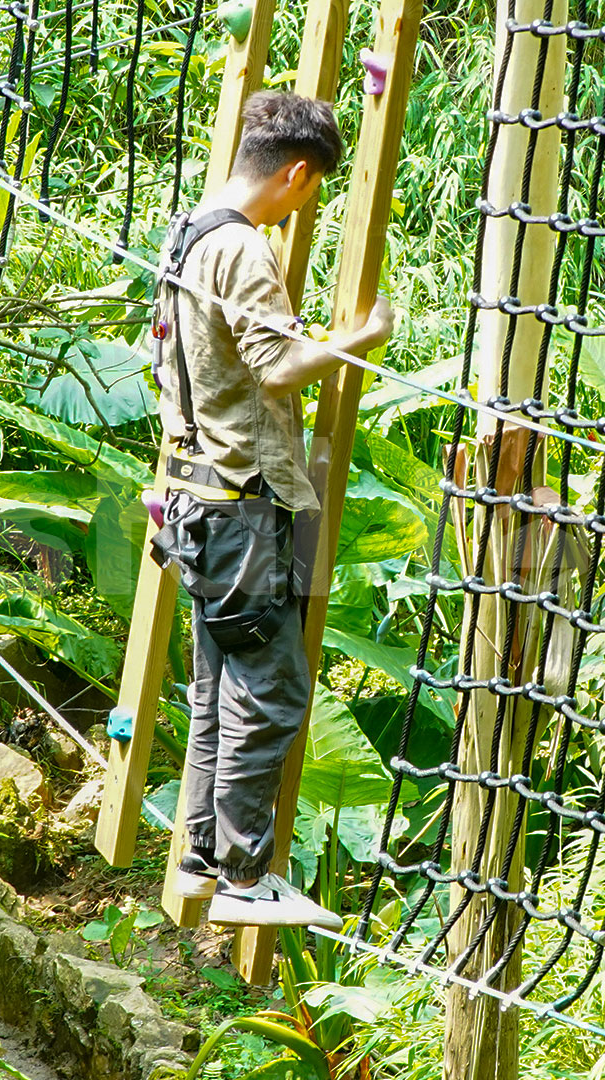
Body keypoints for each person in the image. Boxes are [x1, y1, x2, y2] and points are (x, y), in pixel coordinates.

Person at [146, 90, 396, 931]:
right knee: (272, 693)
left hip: (194, 499)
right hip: (239, 508)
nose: (304, 204)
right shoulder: (245, 248)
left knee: (217, 689)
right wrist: (359, 339)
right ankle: (246, 879)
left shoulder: (188, 230)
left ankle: (202, 861)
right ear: (295, 174)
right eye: (310, 189)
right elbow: (278, 367)